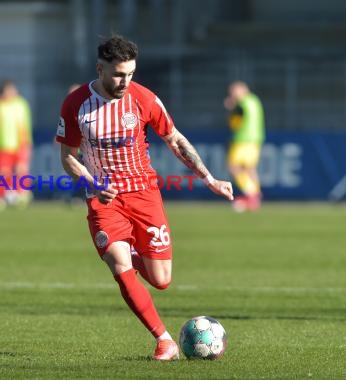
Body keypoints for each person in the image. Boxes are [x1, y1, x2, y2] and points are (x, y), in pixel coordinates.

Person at [56, 35, 233, 361]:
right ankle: (164, 341)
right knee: (118, 263)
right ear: (100, 68)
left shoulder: (144, 99)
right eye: (118, 74)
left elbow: (174, 140)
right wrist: (93, 182)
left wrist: (209, 179)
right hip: (104, 198)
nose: (125, 81)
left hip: (144, 195)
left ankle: (135, 256)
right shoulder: (76, 104)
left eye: (131, 74)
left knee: (161, 280)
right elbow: (68, 157)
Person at [0, 79, 33, 211]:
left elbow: (25, 123)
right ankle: (0, 197)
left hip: (21, 144)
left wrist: (25, 142)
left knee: (21, 170)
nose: (13, 92)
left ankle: (22, 196)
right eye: (9, 90)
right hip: (4, 145)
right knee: (3, 172)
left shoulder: (21, 104)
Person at [224, 80, 265, 212]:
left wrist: (231, 106)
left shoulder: (241, 104)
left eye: (233, 92)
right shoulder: (255, 100)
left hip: (243, 140)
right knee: (249, 168)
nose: (232, 95)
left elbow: (235, 121)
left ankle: (251, 194)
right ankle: (256, 197)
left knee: (234, 167)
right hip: (256, 139)